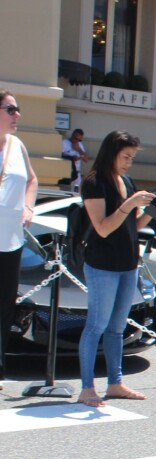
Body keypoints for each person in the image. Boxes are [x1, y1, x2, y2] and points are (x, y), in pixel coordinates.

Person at [78, 129, 156, 407]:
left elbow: (131, 226)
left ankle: (115, 383)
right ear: (111, 153)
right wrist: (129, 204)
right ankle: (87, 388)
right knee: (96, 326)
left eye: (132, 158)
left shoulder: (125, 179)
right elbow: (102, 228)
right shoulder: (94, 182)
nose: (128, 163)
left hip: (127, 264)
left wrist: (151, 210)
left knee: (116, 328)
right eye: (125, 156)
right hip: (102, 265)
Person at [0, 90, 38, 384]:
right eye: (11, 109)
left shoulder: (18, 145)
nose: (17, 115)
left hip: (10, 242)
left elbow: (32, 179)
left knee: (4, 309)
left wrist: (28, 205)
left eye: (18, 109)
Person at [61, 128, 87, 193]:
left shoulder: (79, 145)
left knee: (76, 192)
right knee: (65, 191)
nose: (77, 141)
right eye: (76, 139)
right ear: (72, 135)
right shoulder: (64, 143)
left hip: (77, 173)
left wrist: (79, 149)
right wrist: (72, 158)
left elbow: (86, 160)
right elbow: (61, 156)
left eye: (80, 140)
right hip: (67, 172)